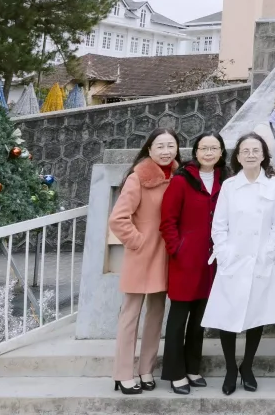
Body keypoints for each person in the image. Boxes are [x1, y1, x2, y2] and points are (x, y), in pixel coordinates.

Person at [206, 132, 275, 395]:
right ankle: (230, 368)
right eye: (245, 151)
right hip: (233, 261)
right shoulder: (230, 186)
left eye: (256, 150)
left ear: (264, 155)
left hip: (261, 260)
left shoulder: (274, 186)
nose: (251, 155)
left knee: (256, 316)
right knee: (227, 316)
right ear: (238, 157)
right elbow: (219, 226)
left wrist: (270, 253)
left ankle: (247, 366)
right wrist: (224, 253)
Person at [108, 128, 179, 394]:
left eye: (170, 145)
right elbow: (118, 218)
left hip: (166, 255)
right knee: (130, 316)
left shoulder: (179, 177)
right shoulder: (138, 177)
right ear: (149, 149)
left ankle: (146, 369)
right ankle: (123, 373)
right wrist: (138, 241)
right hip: (141, 256)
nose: (166, 151)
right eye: (160, 146)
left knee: (156, 315)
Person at [159, 132, 225, 393]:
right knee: (178, 319)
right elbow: (168, 221)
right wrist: (177, 249)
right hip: (185, 260)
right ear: (195, 152)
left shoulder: (225, 180)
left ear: (221, 152)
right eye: (204, 148)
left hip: (212, 261)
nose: (209, 153)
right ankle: (175, 373)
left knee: (200, 318)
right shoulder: (181, 180)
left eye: (214, 148)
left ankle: (192, 368)